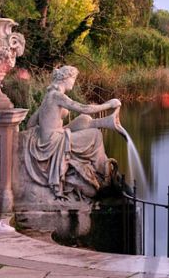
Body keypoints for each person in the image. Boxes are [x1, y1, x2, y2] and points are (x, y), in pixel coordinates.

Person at [22, 65, 127, 200]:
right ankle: (104, 173)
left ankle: (105, 123)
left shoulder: (49, 95)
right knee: (96, 135)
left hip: (52, 135)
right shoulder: (57, 96)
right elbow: (84, 108)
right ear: (66, 78)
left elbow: (31, 123)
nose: (74, 82)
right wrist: (109, 104)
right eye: (73, 79)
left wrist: (43, 128)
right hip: (54, 141)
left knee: (84, 120)